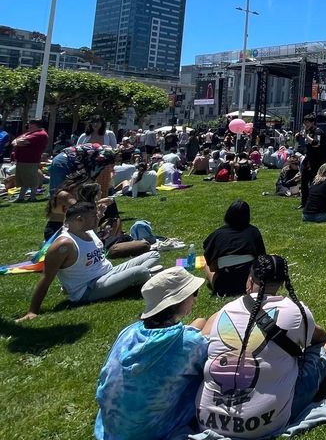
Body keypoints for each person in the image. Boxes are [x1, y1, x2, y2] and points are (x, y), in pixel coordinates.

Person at [196, 255, 326, 438]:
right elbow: (321, 338)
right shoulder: (297, 311)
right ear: (282, 282)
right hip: (265, 424)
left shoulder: (223, 312)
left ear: (249, 279)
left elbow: (202, 342)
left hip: (206, 420)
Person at [95, 267, 208, 440]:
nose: (195, 298)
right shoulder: (190, 343)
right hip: (153, 432)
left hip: (112, 430)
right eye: (194, 293)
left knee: (199, 323)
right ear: (181, 299)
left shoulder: (128, 332)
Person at [17, 202, 161, 321]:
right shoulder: (64, 245)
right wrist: (33, 311)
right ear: (79, 220)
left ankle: (136, 278)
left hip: (108, 273)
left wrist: (99, 212)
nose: (98, 218)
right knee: (140, 271)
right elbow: (46, 277)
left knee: (154, 254)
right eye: (94, 216)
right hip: (88, 289)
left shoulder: (88, 230)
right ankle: (143, 277)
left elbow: (94, 220)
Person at [203, 200, 267, 297]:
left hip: (224, 287)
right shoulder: (253, 232)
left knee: (206, 263)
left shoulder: (217, 235)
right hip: (249, 284)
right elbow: (262, 258)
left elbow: (212, 267)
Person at [11, 118, 49, 201]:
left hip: (30, 161)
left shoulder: (40, 134)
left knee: (32, 180)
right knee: (24, 181)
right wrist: (18, 142)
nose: (28, 125)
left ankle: (32, 197)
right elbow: (14, 142)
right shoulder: (30, 133)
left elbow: (19, 142)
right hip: (22, 160)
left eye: (29, 124)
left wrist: (18, 142)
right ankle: (21, 198)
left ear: (34, 124)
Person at [299, 114, 326, 211]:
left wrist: (306, 136)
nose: (305, 124)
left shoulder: (318, 131)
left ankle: (315, 201)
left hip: (317, 160)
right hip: (308, 159)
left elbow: (317, 144)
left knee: (315, 181)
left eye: (307, 122)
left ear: (312, 122)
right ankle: (304, 202)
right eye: (304, 123)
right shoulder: (308, 132)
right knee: (304, 180)